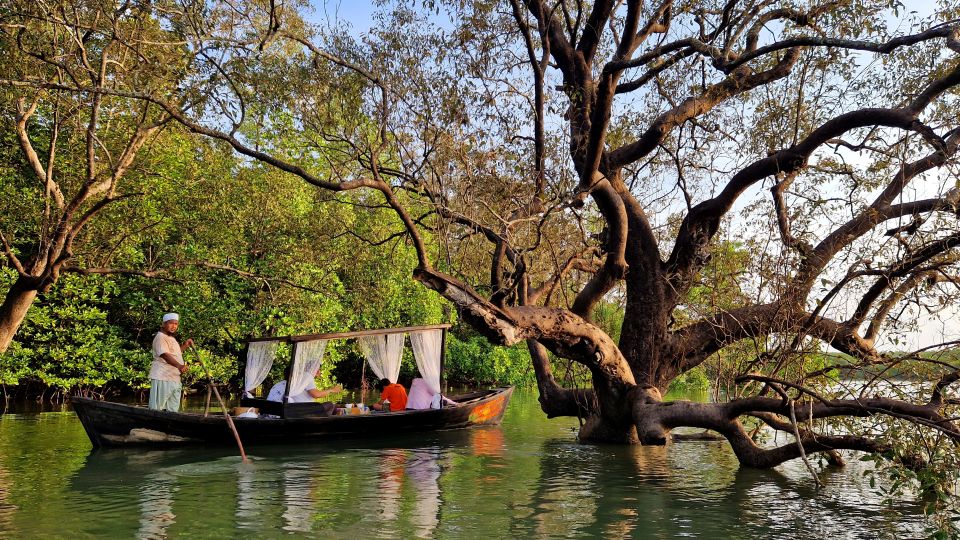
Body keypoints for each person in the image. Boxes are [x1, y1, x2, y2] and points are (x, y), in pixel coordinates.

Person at [149, 312, 193, 412]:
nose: (174, 326)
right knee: (158, 408)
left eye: (176, 324)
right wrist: (179, 366)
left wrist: (185, 346)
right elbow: (165, 355)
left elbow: (175, 354)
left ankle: (168, 426)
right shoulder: (160, 337)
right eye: (171, 323)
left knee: (172, 409)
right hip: (163, 376)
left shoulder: (171, 338)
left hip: (174, 378)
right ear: (163, 324)